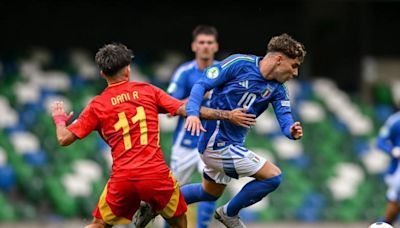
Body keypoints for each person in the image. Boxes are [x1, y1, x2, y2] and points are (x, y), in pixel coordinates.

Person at [50, 43, 257, 228]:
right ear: (128, 70)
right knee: (179, 222)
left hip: (123, 178)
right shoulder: (147, 91)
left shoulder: (97, 105)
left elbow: (64, 139)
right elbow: (187, 109)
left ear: (103, 74)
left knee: (99, 224)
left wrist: (60, 120)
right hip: (156, 176)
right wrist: (227, 115)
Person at [182, 33, 306, 228]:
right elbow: (201, 84)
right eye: (294, 65)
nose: (295, 73)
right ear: (279, 59)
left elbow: (284, 117)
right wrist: (192, 113)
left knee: (208, 193)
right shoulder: (239, 63)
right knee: (273, 177)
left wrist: (291, 130)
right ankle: (228, 213)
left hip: (230, 144)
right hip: (216, 142)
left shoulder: (278, 88)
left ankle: (156, 203)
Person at [166, 24, 219, 228]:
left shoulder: (224, 71)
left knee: (211, 189)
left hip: (214, 141)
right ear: (194, 46)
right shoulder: (184, 72)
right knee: (170, 195)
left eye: (209, 42)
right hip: (186, 141)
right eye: (202, 42)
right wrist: (197, 97)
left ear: (216, 46)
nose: (205, 46)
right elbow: (170, 108)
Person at [375, 110, 400, 225]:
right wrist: (393, 150)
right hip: (398, 170)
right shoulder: (395, 120)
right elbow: (380, 141)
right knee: (394, 203)